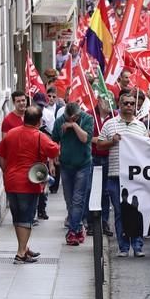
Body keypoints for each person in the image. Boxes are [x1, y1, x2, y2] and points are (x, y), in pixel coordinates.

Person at [0, 106, 60, 263]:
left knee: (17, 217)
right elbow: (55, 151)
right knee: (26, 218)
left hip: (11, 181)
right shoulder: (40, 136)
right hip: (28, 182)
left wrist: (6, 171)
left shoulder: (11, 133)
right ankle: (20, 253)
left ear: (24, 118)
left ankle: (24, 247)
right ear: (39, 121)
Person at [98, 92, 148, 257]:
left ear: (135, 106)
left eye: (131, 103)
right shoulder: (110, 124)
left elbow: (148, 149)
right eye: (125, 103)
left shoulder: (141, 127)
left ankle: (138, 245)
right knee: (119, 213)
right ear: (119, 104)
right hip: (115, 176)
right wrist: (112, 141)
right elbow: (99, 145)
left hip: (136, 177)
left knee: (137, 212)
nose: (128, 106)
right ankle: (123, 247)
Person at [51, 103, 94, 246]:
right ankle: (78, 224)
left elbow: (85, 139)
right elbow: (54, 141)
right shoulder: (59, 121)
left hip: (83, 164)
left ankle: (73, 231)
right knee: (69, 199)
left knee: (78, 199)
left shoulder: (87, 119)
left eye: (75, 118)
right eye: (69, 118)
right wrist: (54, 156)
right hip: (66, 165)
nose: (71, 120)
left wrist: (74, 126)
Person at [91, 99, 114, 237]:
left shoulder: (115, 117)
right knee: (92, 190)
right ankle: (91, 223)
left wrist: (102, 141)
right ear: (99, 102)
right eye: (106, 101)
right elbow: (86, 136)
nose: (109, 104)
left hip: (109, 158)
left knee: (106, 192)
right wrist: (99, 141)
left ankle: (104, 221)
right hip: (93, 157)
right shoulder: (90, 114)